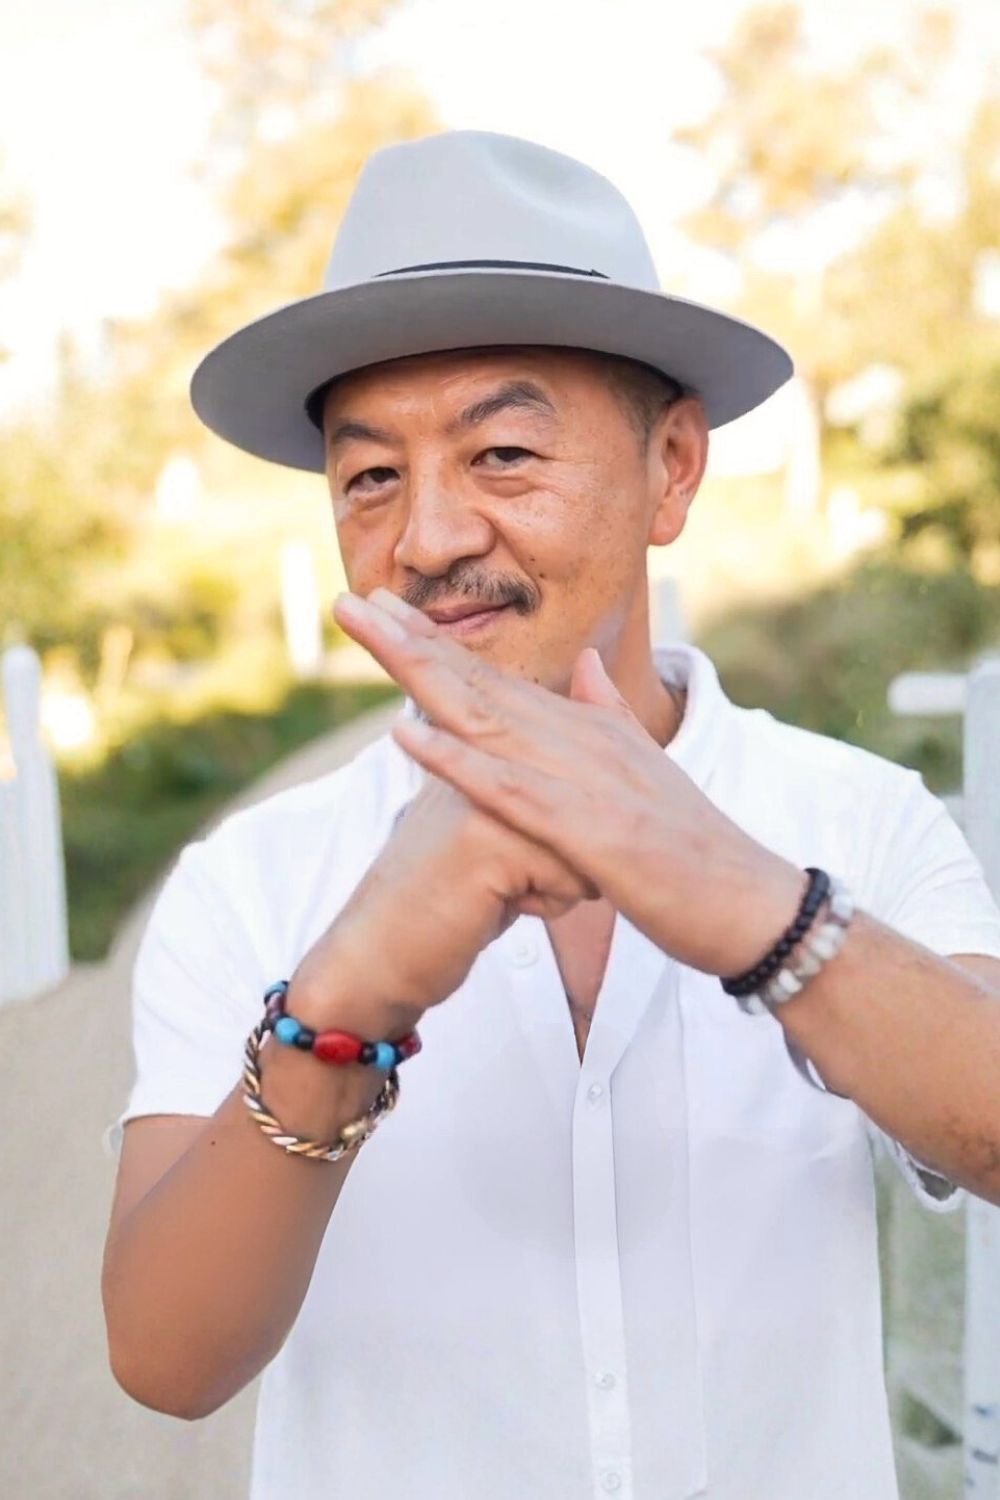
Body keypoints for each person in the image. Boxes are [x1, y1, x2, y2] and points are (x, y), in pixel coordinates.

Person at [102, 131, 1000, 1500]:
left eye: (505, 452)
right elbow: (166, 1361)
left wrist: (749, 902)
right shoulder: (255, 880)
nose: (431, 539)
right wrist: (350, 992)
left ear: (675, 470)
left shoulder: (854, 819)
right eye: (370, 478)